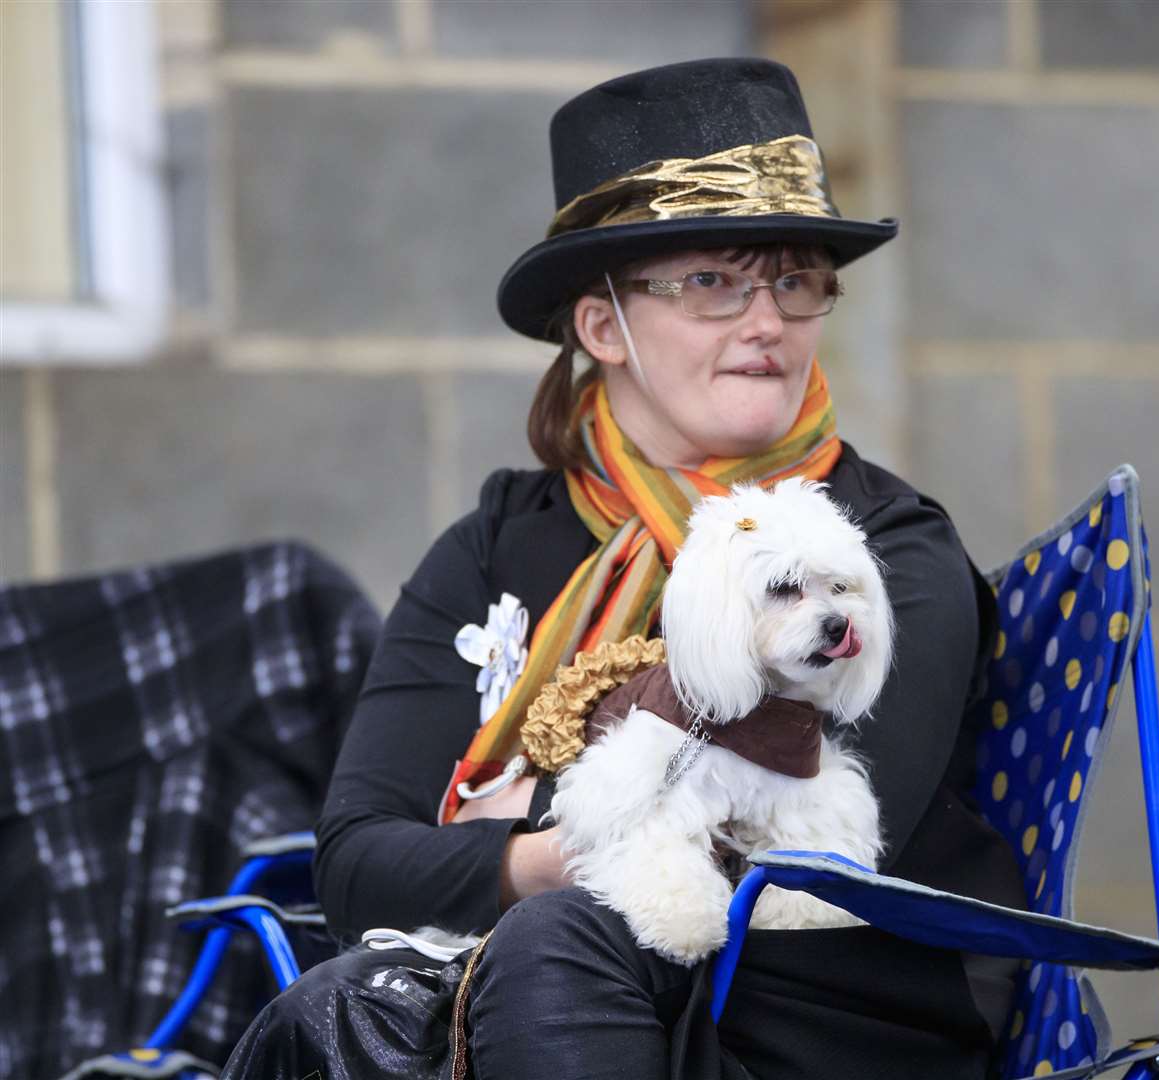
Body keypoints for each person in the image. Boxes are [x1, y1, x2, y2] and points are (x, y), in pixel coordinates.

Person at [223, 57, 1026, 1080]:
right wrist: (575, 855)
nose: (769, 321)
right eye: (712, 283)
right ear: (601, 325)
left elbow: (813, 835)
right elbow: (359, 867)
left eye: (795, 278)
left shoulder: (883, 547)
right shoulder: (498, 543)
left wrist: (517, 828)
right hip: (527, 1006)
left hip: (809, 1021)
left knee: (552, 942)